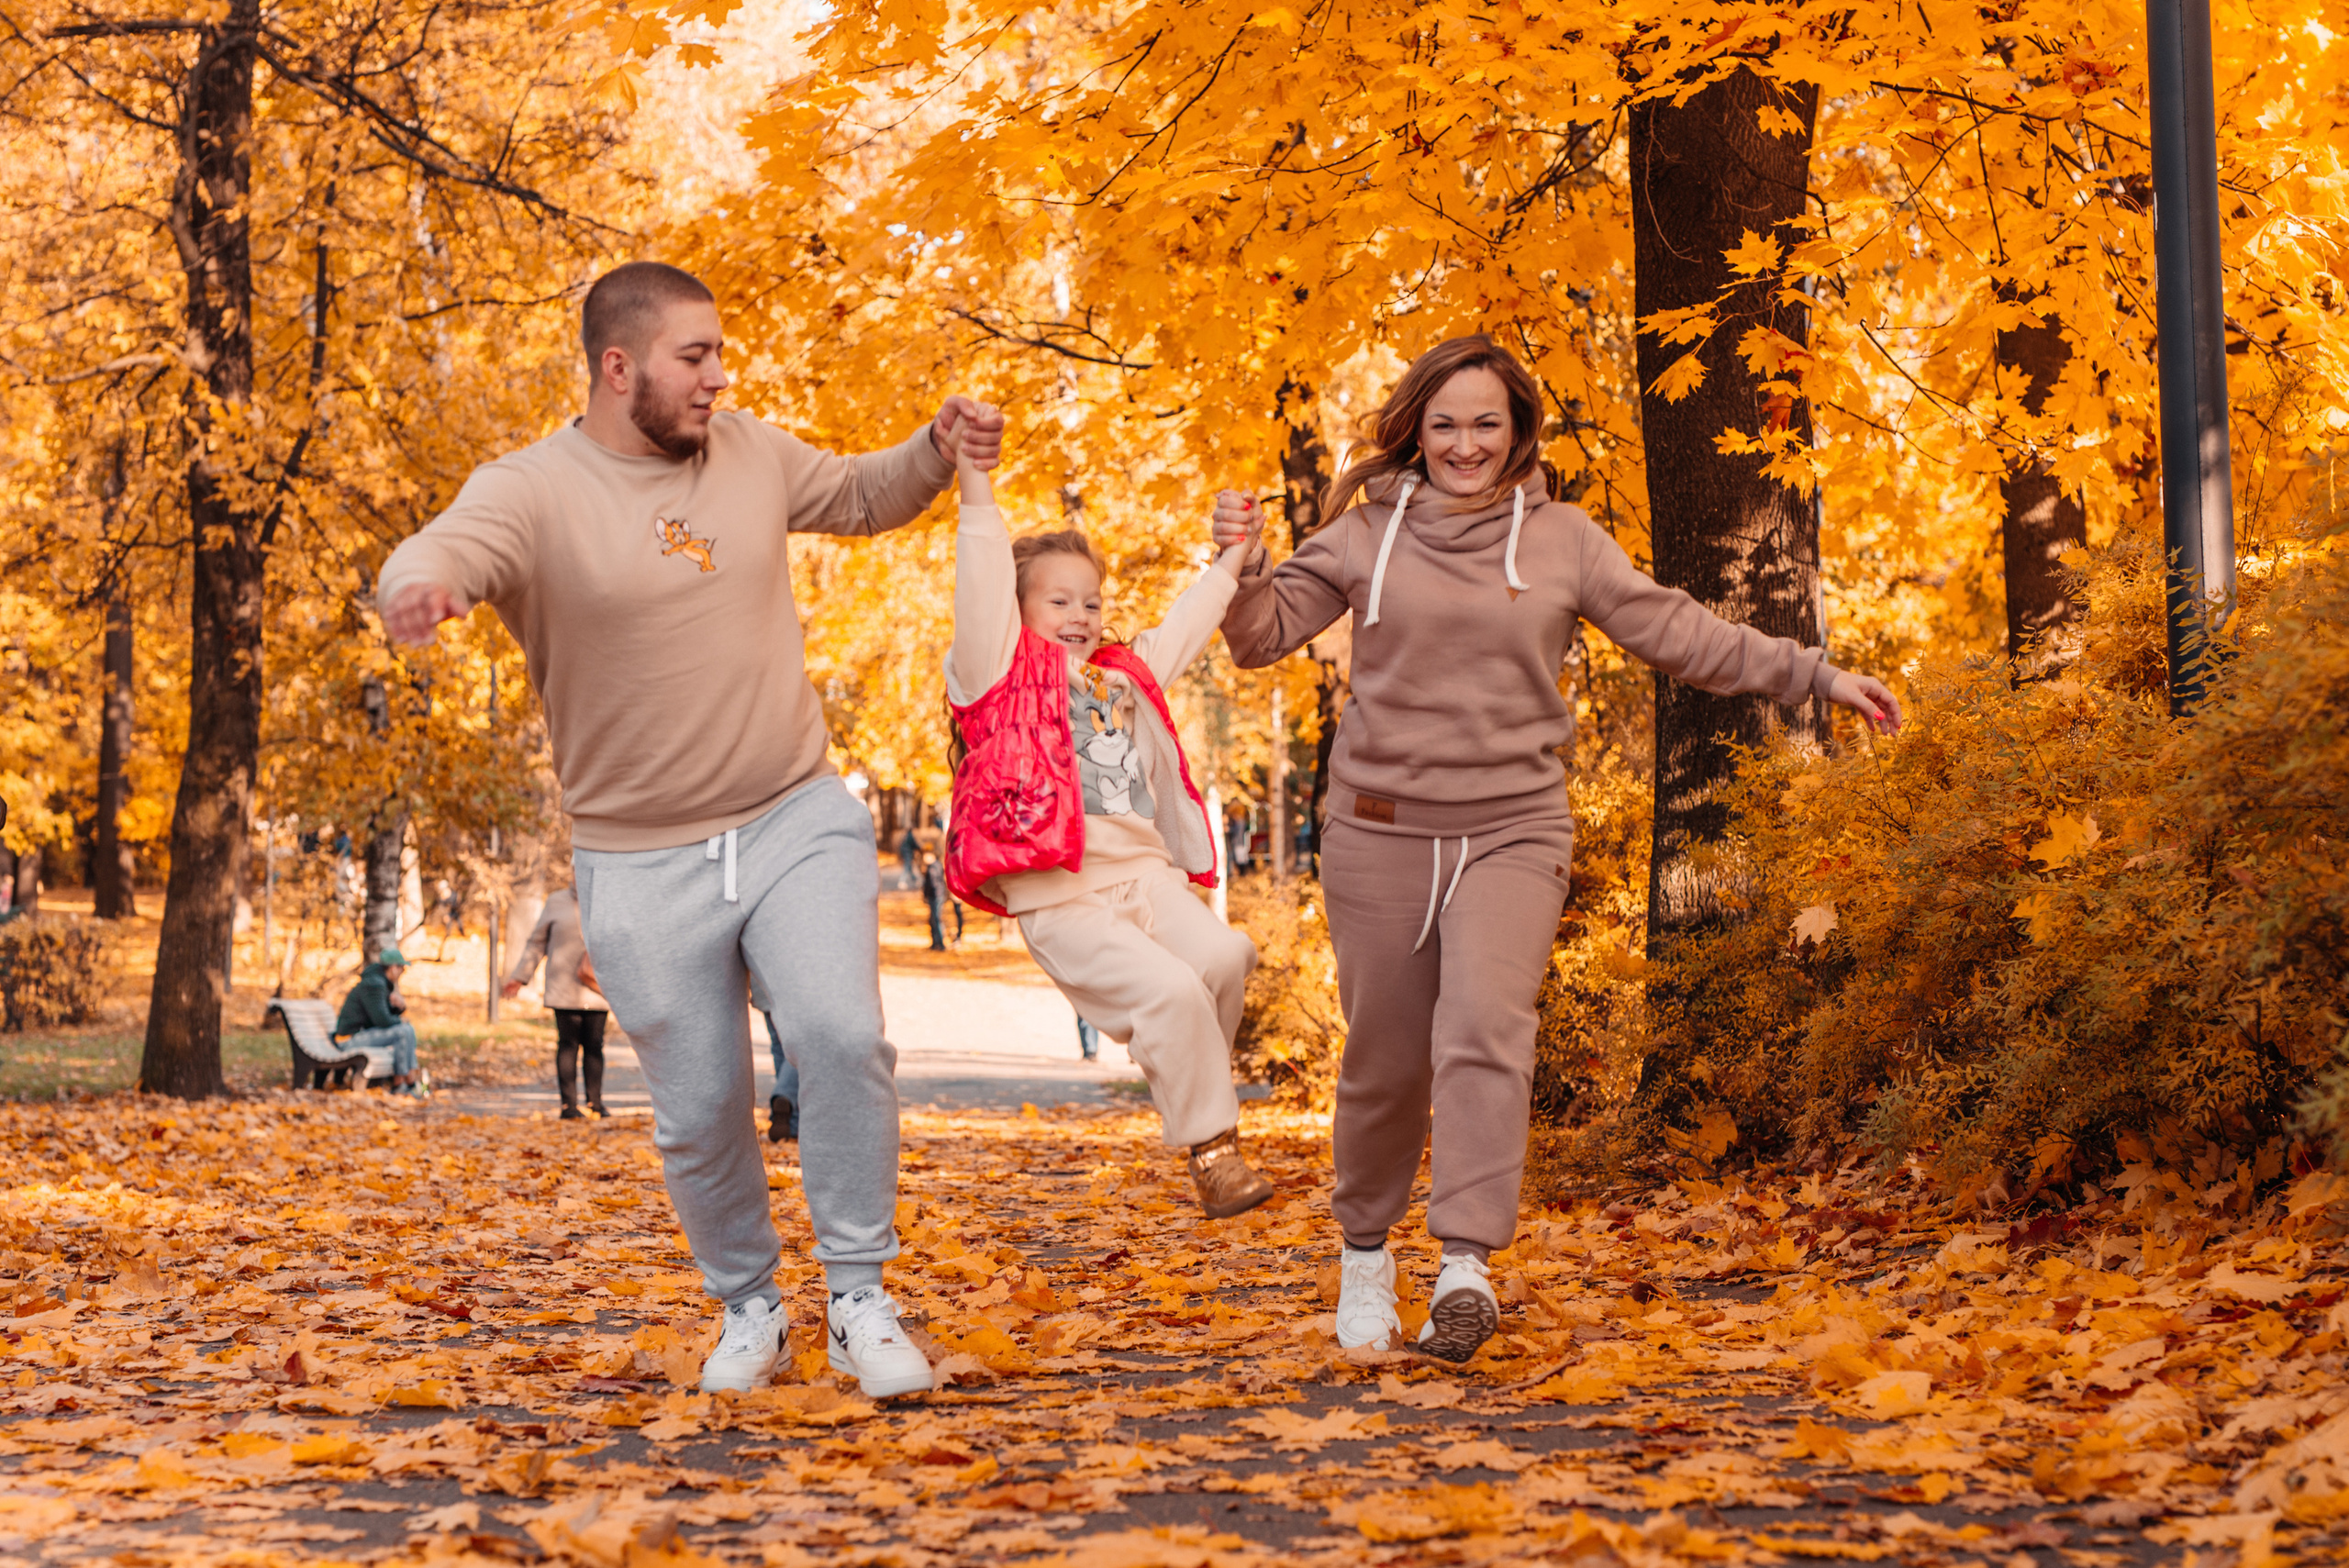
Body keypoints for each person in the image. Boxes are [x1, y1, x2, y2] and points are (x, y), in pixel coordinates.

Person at [375, 260, 1004, 1399]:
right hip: (638, 853)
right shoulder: (532, 488)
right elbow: (447, 547)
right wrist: (418, 588)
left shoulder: (751, 453)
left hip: (790, 812)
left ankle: (860, 1290)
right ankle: (750, 1306)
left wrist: (935, 442)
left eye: (720, 353)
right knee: (701, 1101)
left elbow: (865, 494)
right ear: (619, 370)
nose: (719, 377)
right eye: (694, 356)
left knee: (838, 1031)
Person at [1211, 334, 1903, 1362]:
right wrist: (1240, 564)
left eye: (1485, 422)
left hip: (1513, 825)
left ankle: (1463, 1266)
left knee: (1485, 1026)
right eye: (1443, 424)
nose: (1463, 443)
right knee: (1386, 1062)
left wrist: (1813, 674)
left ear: (1518, 430)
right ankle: (1364, 1255)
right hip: (1382, 831)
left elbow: (1680, 632)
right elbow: (1260, 634)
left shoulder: (1564, 539)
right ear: (1415, 430)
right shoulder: (1365, 533)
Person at [942, 431, 1275, 1220]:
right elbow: (980, 576)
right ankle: (1213, 1150)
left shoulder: (1122, 677)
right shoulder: (992, 672)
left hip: (1147, 878)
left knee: (1227, 957)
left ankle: (1189, 1083)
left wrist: (1232, 560)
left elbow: (1187, 625)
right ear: (1018, 611)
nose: (1082, 615)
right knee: (1169, 994)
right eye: (1059, 601)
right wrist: (974, 486)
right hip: (1062, 898)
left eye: (1091, 601)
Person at [502, 884, 610, 1120]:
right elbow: (537, 941)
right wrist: (520, 977)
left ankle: (596, 1103)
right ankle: (568, 1106)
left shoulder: (607, 898)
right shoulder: (556, 901)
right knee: (567, 1045)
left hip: (597, 988)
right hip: (563, 987)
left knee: (594, 1046)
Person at [335, 947, 424, 1095]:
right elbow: (381, 1020)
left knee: (406, 1029)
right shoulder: (374, 985)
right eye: (401, 968)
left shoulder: (379, 982)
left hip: (362, 1034)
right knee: (403, 1030)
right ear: (393, 968)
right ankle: (403, 1083)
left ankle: (407, 1082)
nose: (403, 972)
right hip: (349, 1039)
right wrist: (400, 1019)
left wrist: (399, 1009)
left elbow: (379, 1019)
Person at [918, 851, 961, 951]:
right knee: (934, 919)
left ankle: (940, 943)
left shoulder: (934, 867)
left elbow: (934, 884)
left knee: (937, 919)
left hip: (936, 896)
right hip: (934, 896)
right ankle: (936, 942)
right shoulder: (933, 866)